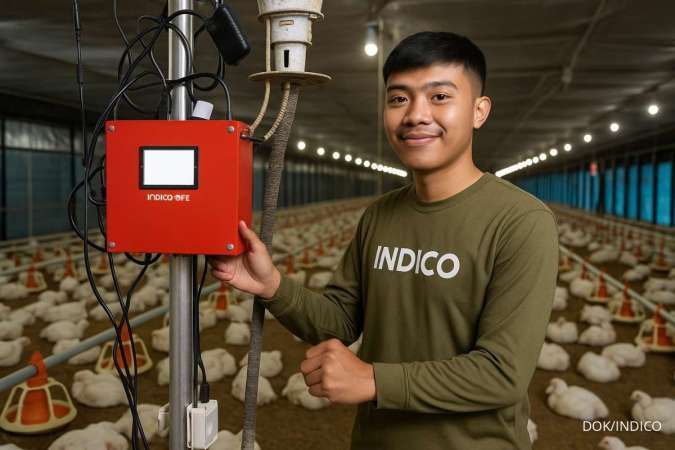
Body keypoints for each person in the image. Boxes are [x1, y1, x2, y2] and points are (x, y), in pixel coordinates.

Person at [210, 31, 558, 450]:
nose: (416, 115)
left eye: (440, 97)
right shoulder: (380, 215)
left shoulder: (521, 222)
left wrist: (373, 379)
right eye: (398, 99)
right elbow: (340, 321)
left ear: (479, 111)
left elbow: (502, 373)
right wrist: (273, 287)